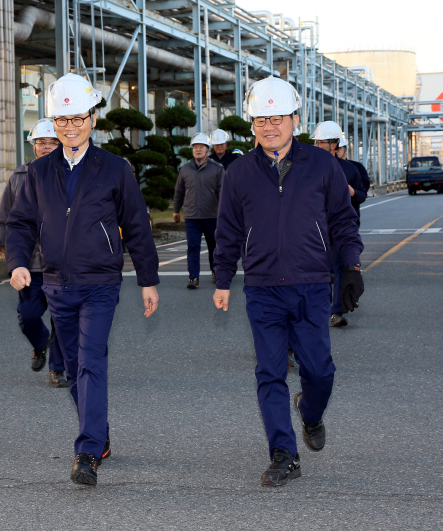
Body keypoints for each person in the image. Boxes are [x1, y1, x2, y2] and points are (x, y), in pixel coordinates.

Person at [5, 73, 160, 487]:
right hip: (56, 283)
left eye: (77, 119)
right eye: (61, 121)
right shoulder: (39, 172)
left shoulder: (114, 168)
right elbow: (19, 223)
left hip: (101, 283)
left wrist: (148, 279)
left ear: (93, 118)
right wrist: (18, 261)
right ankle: (99, 431)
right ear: (52, 124)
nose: (69, 128)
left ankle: (87, 451)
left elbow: (137, 225)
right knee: (74, 368)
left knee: (91, 361)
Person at [213, 76, 364, 487]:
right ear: (252, 124)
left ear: (295, 119)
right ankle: (284, 453)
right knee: (270, 372)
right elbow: (227, 230)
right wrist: (223, 279)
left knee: (319, 370)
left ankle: (310, 413)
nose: (269, 126)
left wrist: (351, 267)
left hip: (311, 284)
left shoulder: (322, 165)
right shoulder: (240, 172)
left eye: (277, 118)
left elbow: (343, 221)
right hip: (262, 289)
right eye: (261, 119)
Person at [0, 119, 67, 388]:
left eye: (52, 142)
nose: (46, 147)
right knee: (29, 315)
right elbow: (2, 217)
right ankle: (40, 342)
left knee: (62, 319)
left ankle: (57, 369)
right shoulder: (19, 177)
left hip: (63, 263)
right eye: (41, 142)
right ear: (33, 146)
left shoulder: (72, 174)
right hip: (29, 264)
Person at [311, 121, 367, 328]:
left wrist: (352, 192)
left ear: (334, 145)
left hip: (338, 227)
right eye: (315, 142)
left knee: (339, 267)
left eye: (321, 142)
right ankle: (318, 309)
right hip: (313, 228)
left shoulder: (349, 169)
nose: (317, 146)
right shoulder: (306, 168)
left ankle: (335, 311)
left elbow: (361, 194)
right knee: (319, 270)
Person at [173, 133, 224, 289]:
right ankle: (193, 277)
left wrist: (225, 212)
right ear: (192, 150)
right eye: (195, 147)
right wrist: (176, 210)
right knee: (193, 247)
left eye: (202, 147)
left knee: (214, 246)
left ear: (207, 151)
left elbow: (224, 191)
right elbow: (179, 191)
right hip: (191, 216)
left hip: (212, 215)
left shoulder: (217, 169)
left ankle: (216, 271)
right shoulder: (185, 169)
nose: (198, 150)